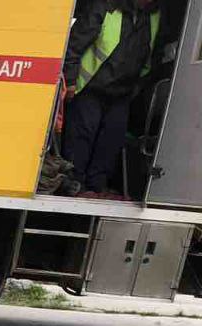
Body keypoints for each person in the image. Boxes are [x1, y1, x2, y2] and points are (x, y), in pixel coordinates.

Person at [62, 0, 161, 198]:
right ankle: (74, 185)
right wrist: (70, 81)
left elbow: (151, 55)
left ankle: (97, 187)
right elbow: (73, 45)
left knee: (111, 142)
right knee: (81, 138)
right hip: (90, 88)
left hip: (122, 92)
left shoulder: (153, 16)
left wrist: (137, 86)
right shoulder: (104, 6)